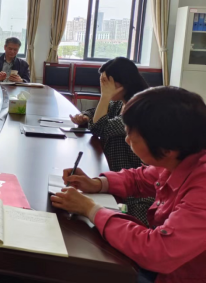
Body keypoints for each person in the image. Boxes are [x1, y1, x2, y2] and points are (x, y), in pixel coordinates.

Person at [52, 87, 206, 283]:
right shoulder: (180, 156)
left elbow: (158, 251)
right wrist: (96, 184)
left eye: (132, 137)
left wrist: (91, 209)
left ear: (167, 149)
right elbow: (139, 178)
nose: (126, 140)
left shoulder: (202, 189)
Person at [69, 57, 153, 223]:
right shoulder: (120, 103)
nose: (102, 87)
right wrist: (85, 116)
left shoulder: (140, 110)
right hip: (117, 180)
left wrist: (105, 96)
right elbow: (97, 113)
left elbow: (101, 128)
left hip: (137, 194)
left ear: (121, 82)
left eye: (105, 82)